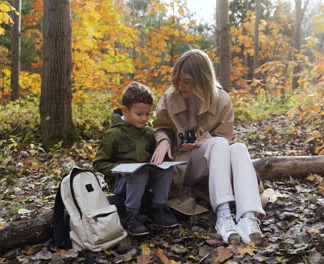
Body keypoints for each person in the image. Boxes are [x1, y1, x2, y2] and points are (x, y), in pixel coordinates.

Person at [150, 49, 265, 245]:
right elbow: (160, 127)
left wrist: (201, 141)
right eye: (178, 80)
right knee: (219, 144)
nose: (180, 86)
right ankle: (223, 215)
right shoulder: (170, 97)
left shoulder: (222, 99)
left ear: (202, 79)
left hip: (213, 164)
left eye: (186, 81)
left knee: (238, 148)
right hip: (184, 163)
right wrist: (163, 140)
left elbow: (225, 137)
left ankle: (248, 217)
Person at [93, 82, 178, 236]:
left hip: (144, 181)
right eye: (139, 114)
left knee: (166, 168)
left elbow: (154, 157)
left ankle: (159, 208)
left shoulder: (147, 133)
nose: (144, 118)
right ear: (125, 110)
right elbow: (99, 163)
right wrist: (120, 169)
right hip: (122, 183)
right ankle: (131, 214)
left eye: (148, 114)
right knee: (139, 172)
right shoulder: (114, 134)